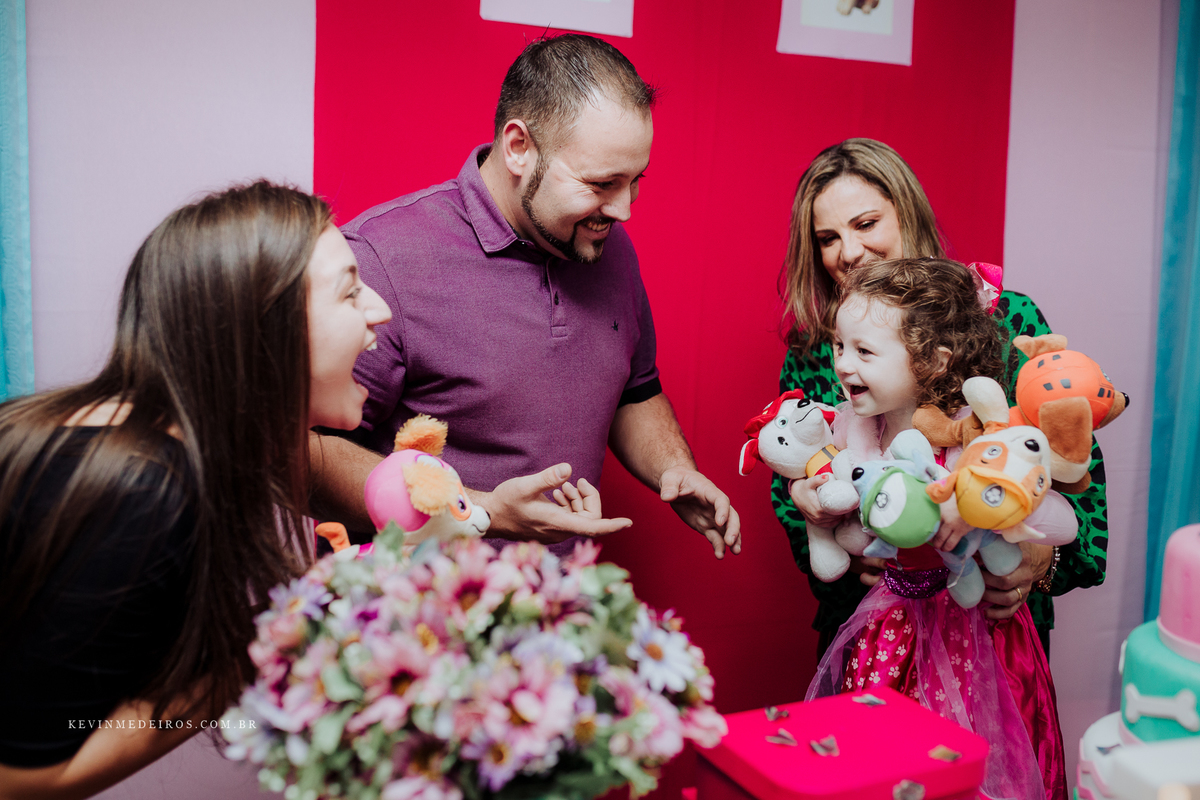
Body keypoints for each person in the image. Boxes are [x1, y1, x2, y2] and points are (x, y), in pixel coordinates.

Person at [0, 182, 391, 798]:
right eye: (349, 291)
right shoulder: (143, 495)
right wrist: (256, 649)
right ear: (266, 330)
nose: (380, 310)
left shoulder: (179, 444)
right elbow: (24, 775)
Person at [311, 34, 740, 559]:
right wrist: (480, 510)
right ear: (519, 147)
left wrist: (675, 469)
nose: (624, 209)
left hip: (558, 616)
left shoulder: (606, 243)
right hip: (421, 617)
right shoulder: (384, 258)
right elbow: (307, 451)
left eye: (634, 181)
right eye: (602, 183)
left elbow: (634, 392)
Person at [775, 138, 1107, 656]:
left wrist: (1041, 564)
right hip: (870, 632)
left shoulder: (1005, 319)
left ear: (908, 214)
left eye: (865, 224)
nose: (849, 252)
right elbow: (789, 480)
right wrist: (826, 524)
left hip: (993, 634)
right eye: (827, 238)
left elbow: (1073, 463)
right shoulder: (820, 349)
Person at [805, 257, 1067, 799]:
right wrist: (811, 495)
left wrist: (970, 510)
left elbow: (1033, 506)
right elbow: (823, 474)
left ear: (932, 359)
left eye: (865, 352)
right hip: (890, 620)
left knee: (964, 756)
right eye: (839, 346)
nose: (843, 365)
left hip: (973, 629)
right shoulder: (855, 426)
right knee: (880, 757)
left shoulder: (970, 436)